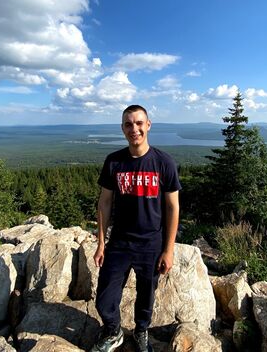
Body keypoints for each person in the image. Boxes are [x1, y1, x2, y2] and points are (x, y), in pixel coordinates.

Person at [90, 105, 181, 352]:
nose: (134, 129)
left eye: (139, 123)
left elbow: (173, 207)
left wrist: (168, 250)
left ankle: (141, 331)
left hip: (151, 243)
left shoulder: (164, 162)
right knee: (104, 297)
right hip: (119, 242)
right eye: (129, 124)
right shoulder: (114, 161)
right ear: (122, 128)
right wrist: (101, 243)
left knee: (146, 295)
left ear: (148, 125)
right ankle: (113, 330)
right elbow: (104, 202)